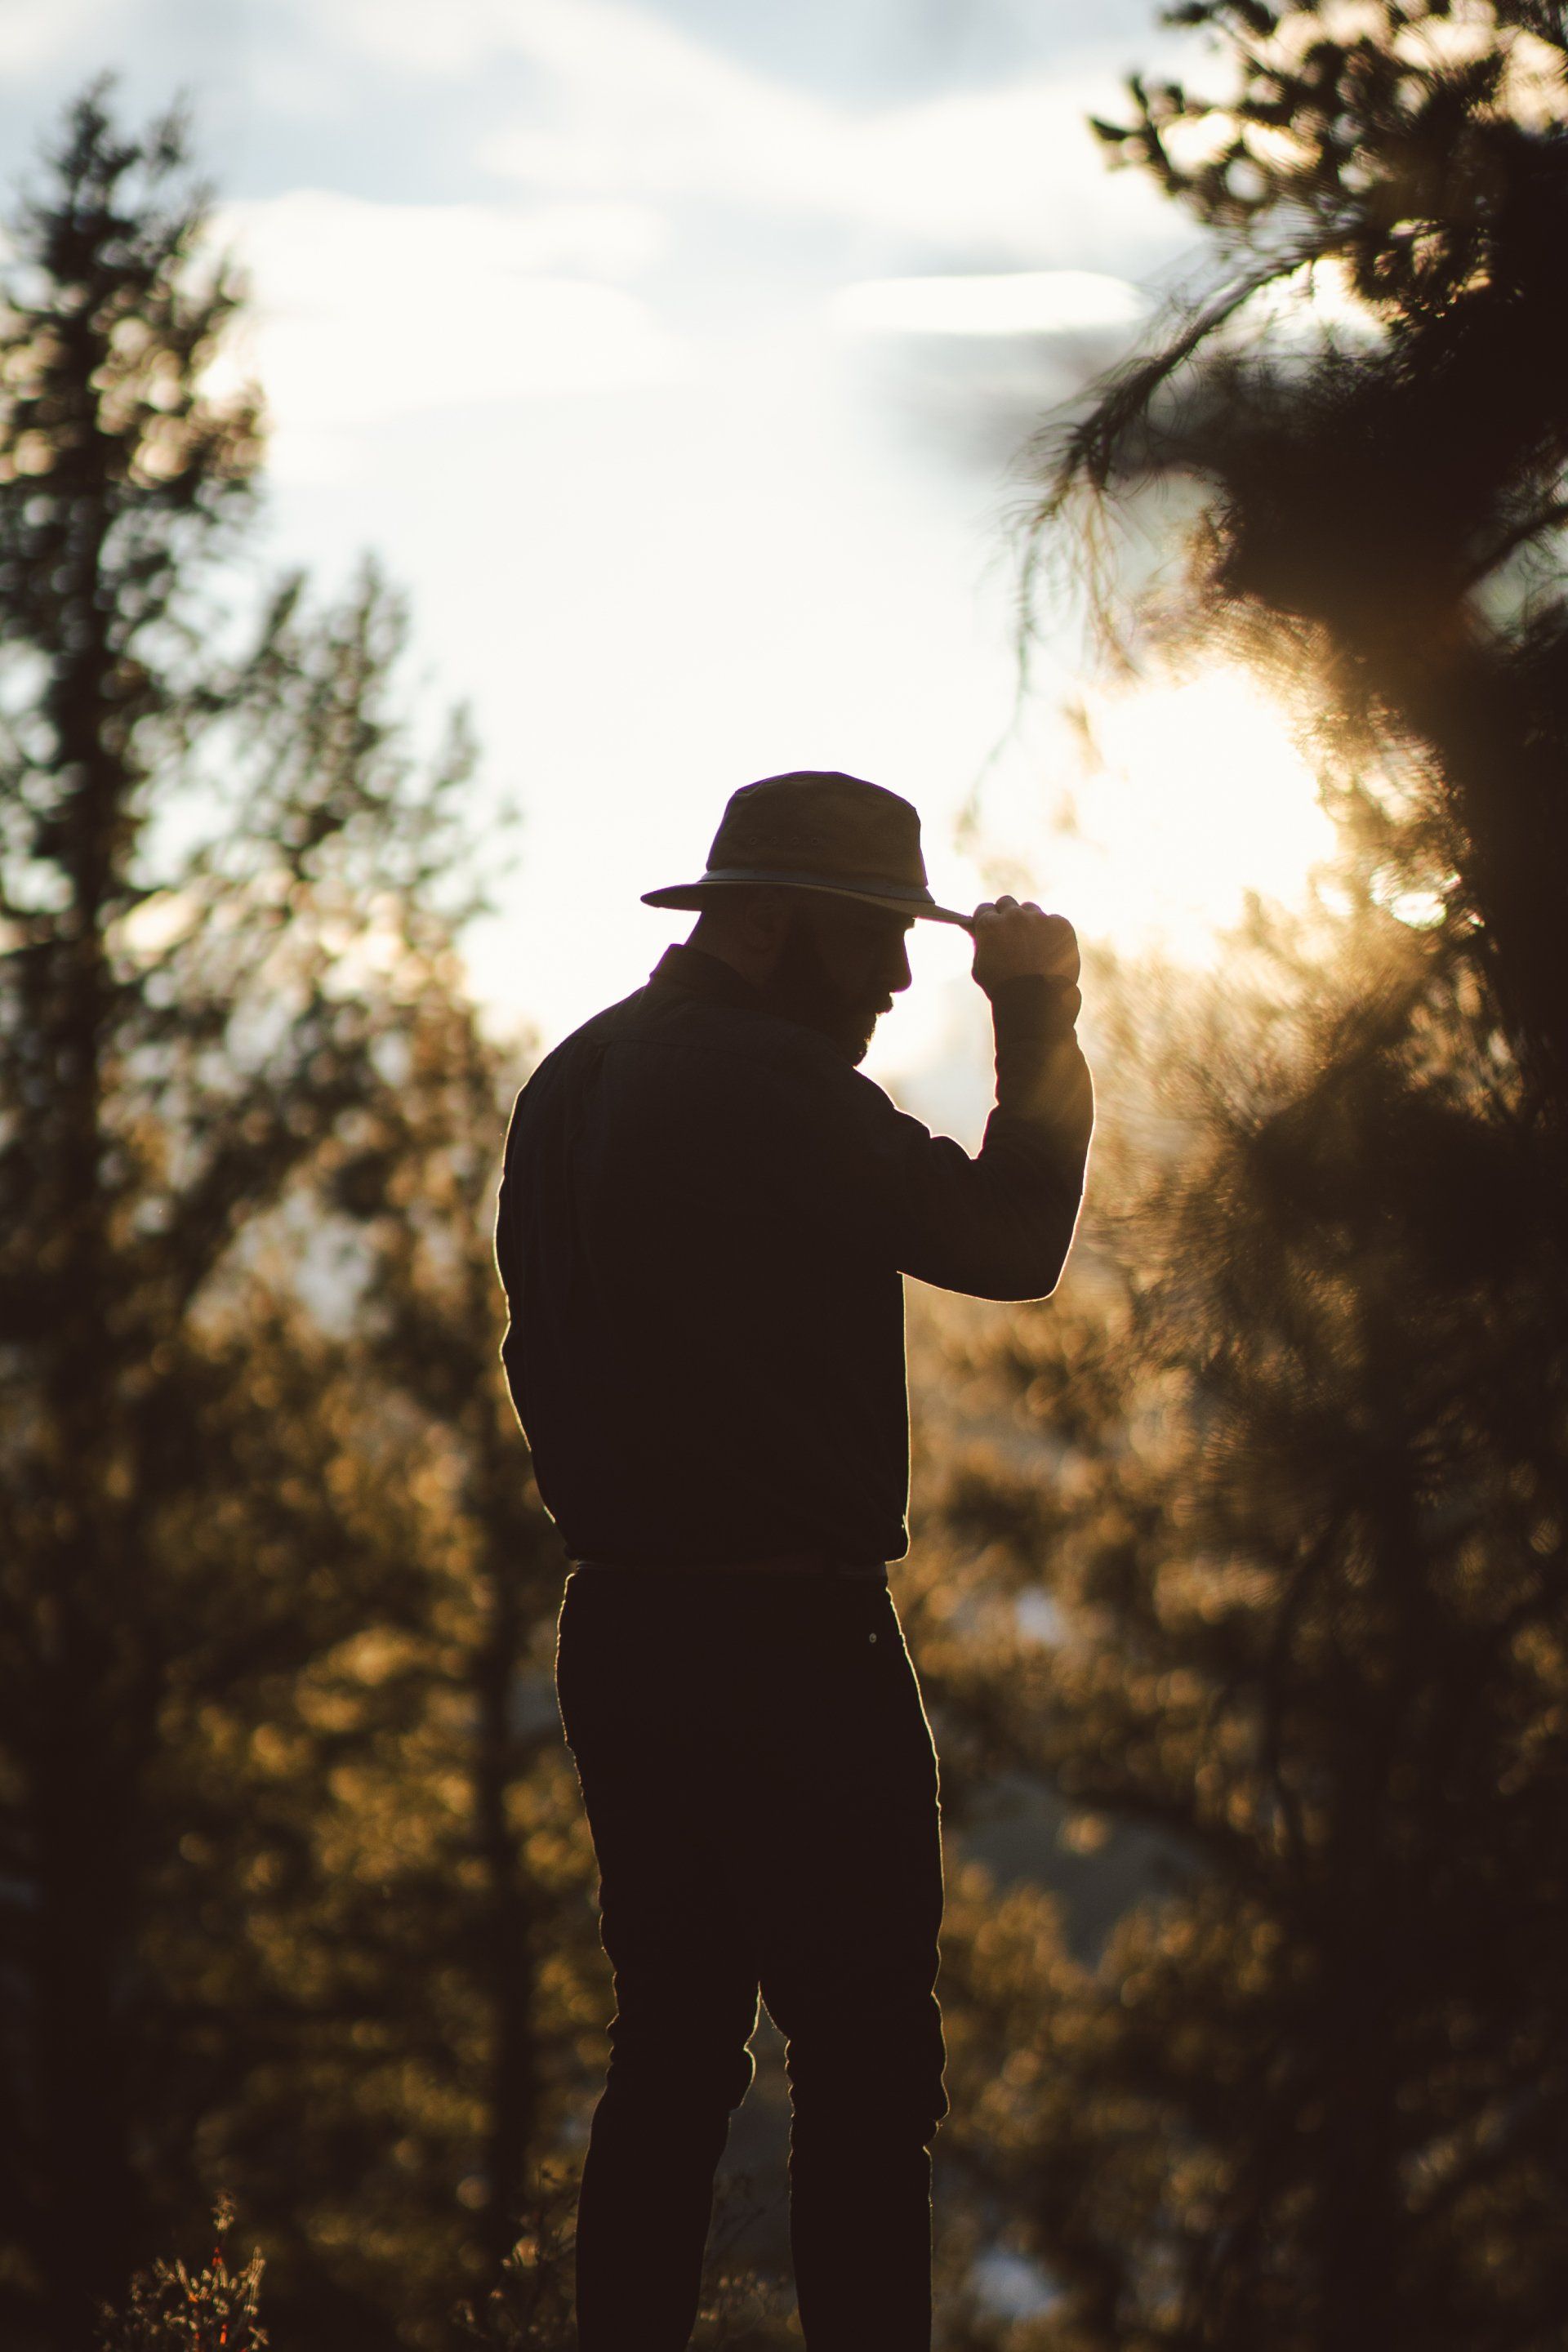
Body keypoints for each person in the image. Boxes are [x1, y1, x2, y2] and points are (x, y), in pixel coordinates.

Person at [493, 769, 1094, 2351]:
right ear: (760, 929)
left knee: (672, 2056)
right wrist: (1037, 1021)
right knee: (868, 2073)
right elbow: (1012, 1242)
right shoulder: (768, 1087)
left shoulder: (569, 1087)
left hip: (620, 1636)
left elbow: (531, 1356)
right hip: (795, 1656)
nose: (902, 976)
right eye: (870, 940)